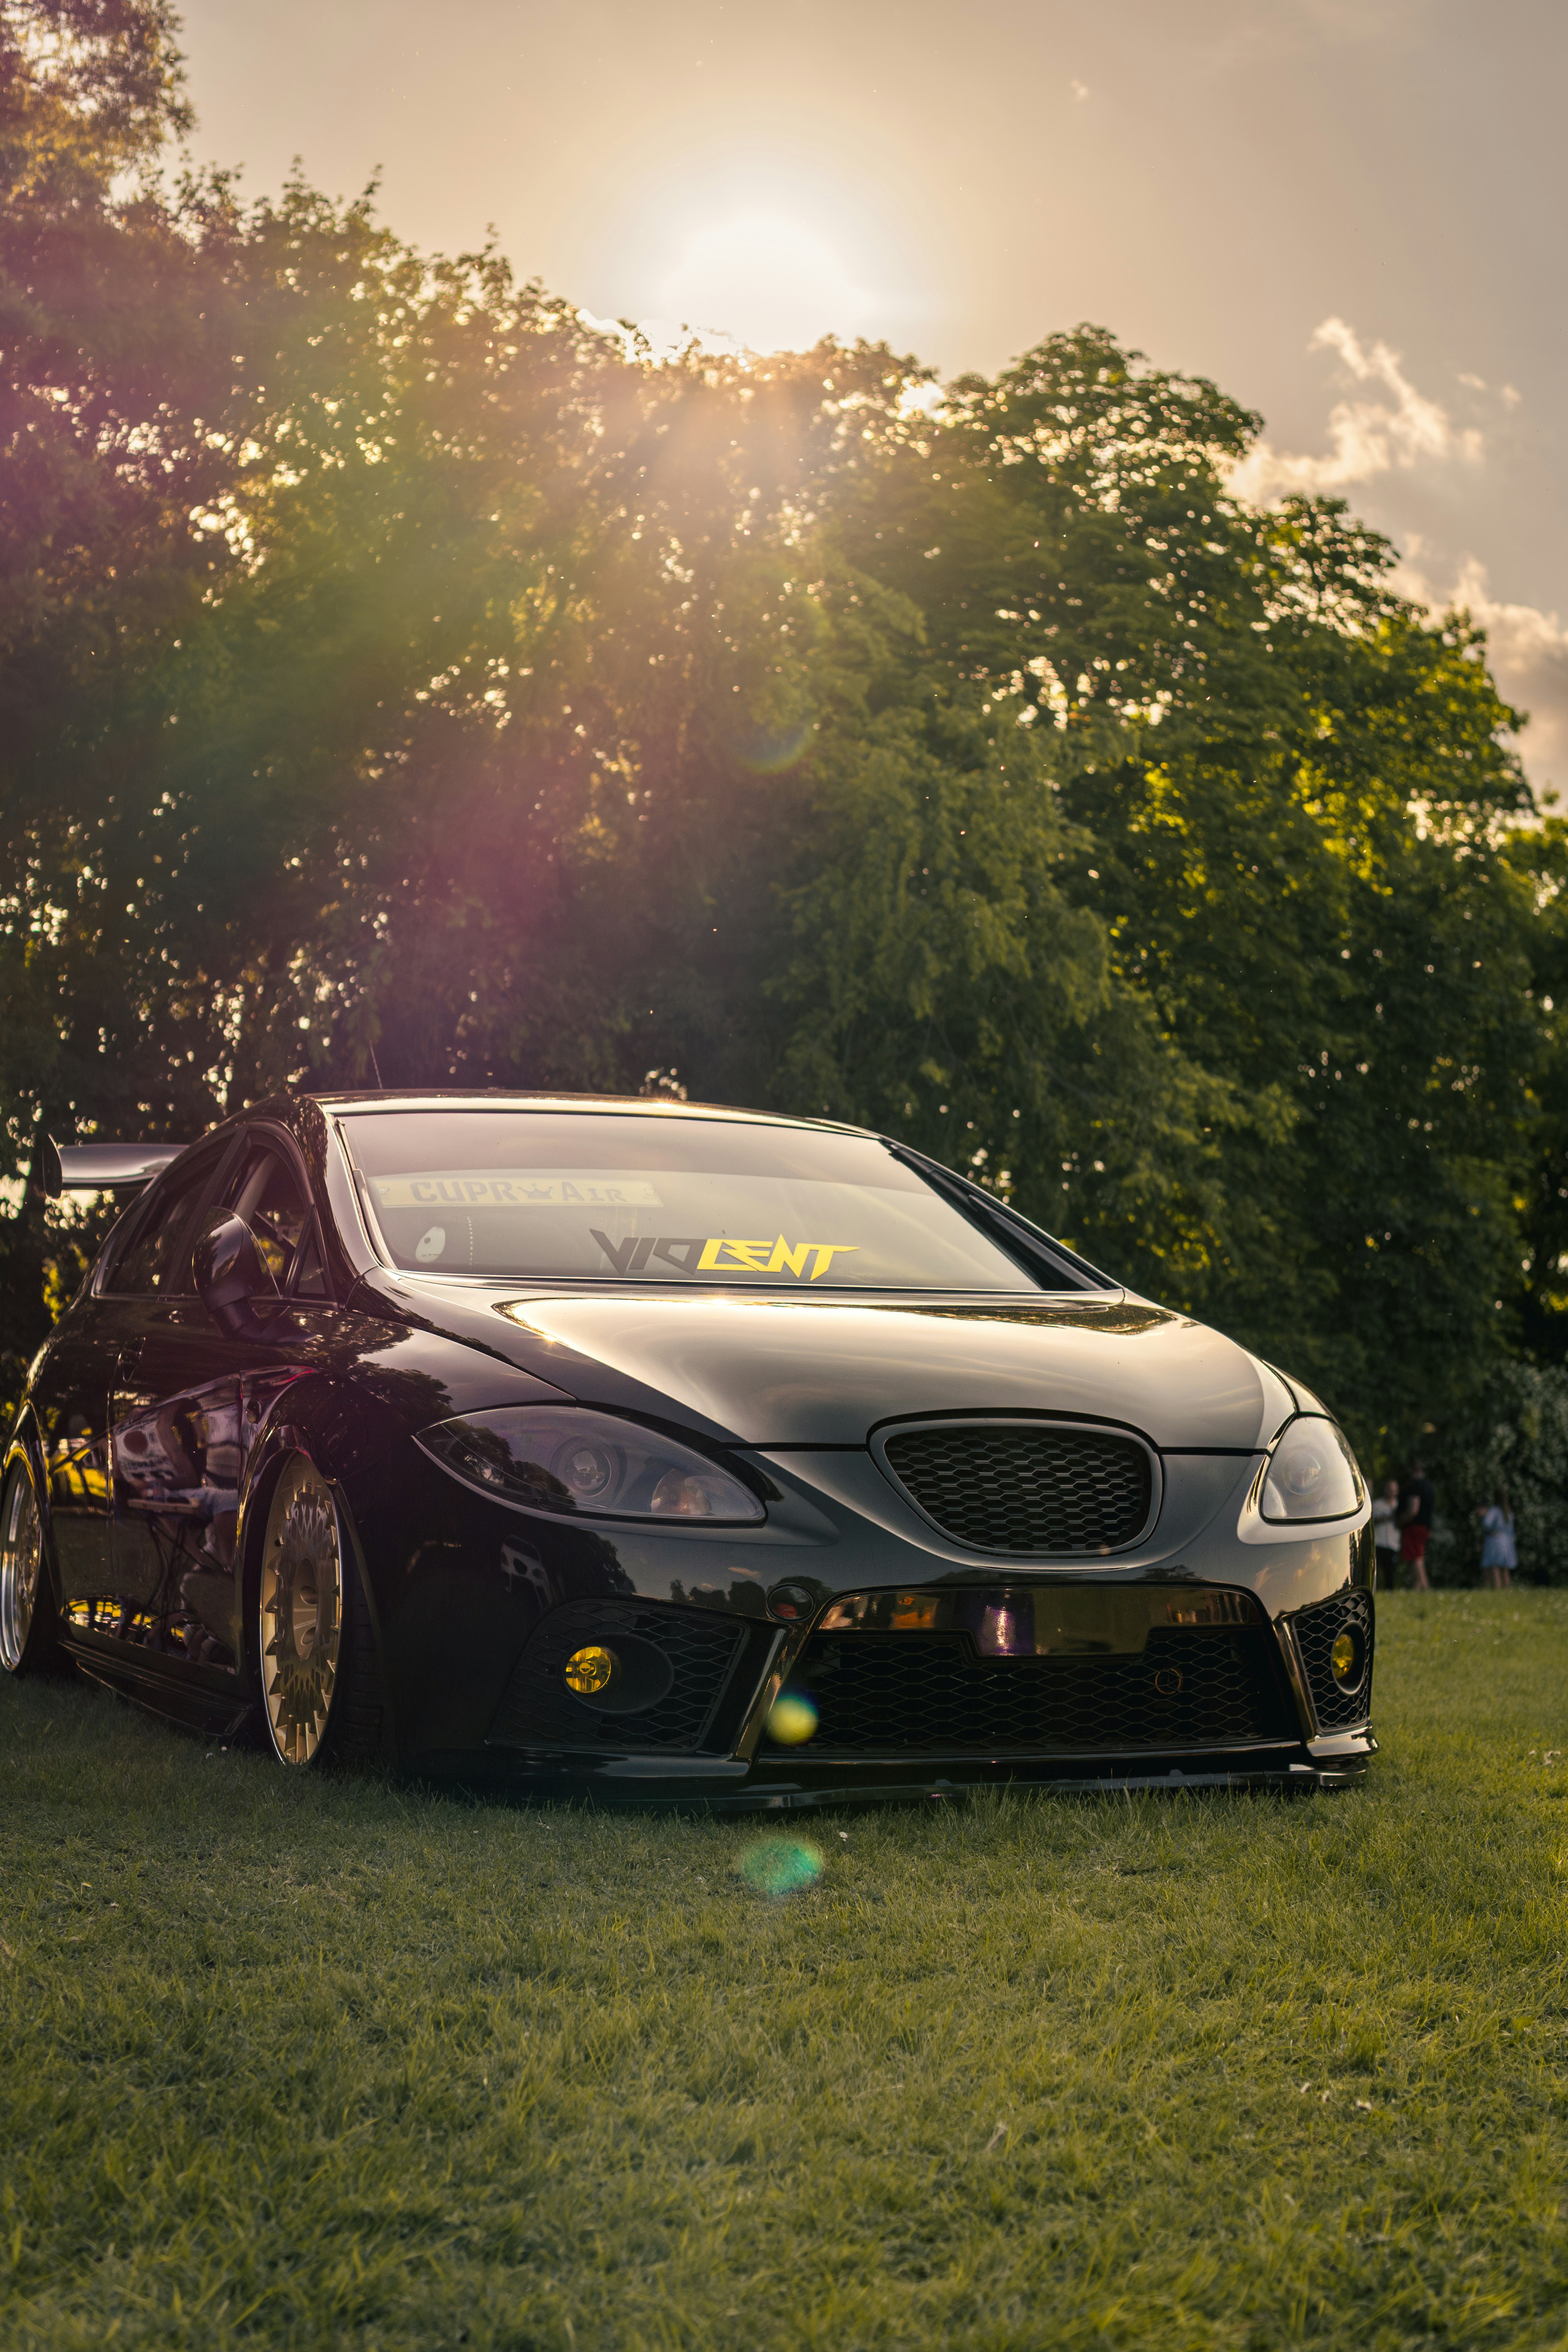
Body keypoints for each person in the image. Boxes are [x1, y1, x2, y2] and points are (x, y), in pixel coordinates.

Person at [1398, 1458, 1436, 1590]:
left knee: (1415, 1556)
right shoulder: (1429, 1486)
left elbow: (1413, 1510)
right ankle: (1422, 1585)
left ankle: (1420, 1585)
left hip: (1414, 1526)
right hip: (1426, 1525)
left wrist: (1400, 1521)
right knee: (1418, 1554)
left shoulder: (1415, 1486)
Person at [1475, 1489, 1517, 1590]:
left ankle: (1498, 1589)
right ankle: (1508, 1589)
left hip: (1495, 1540)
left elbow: (1487, 1525)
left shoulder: (1494, 1511)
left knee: (1495, 1566)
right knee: (1505, 1568)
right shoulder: (1509, 1512)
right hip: (1507, 1541)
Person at [1371, 1476, 1401, 1589]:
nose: (1392, 1492)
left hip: (1393, 1543)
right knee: (1377, 1570)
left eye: (1394, 1490)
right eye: (1389, 1489)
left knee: (1391, 1571)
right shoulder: (1377, 1505)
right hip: (1379, 1542)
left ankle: (1390, 1590)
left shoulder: (1400, 1506)